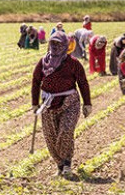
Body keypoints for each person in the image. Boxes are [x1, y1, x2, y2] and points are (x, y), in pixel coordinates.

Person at [31, 32, 92, 178]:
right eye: (53, 43)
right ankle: (59, 166)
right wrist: (35, 103)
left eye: (59, 44)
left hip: (69, 102)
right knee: (51, 136)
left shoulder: (73, 63)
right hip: (48, 104)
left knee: (65, 131)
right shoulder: (43, 62)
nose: (56, 47)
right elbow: (36, 81)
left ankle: (67, 164)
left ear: (65, 45)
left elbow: (83, 83)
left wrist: (87, 103)